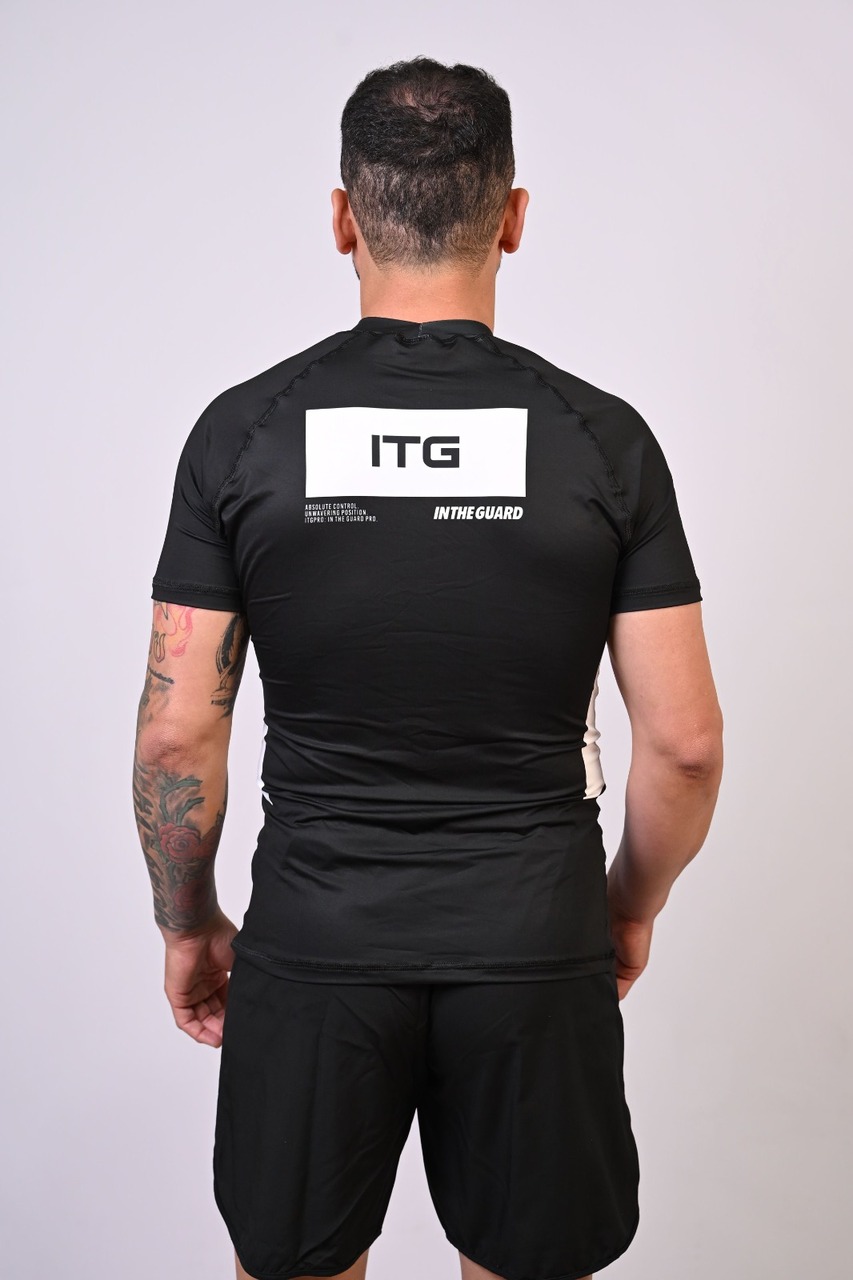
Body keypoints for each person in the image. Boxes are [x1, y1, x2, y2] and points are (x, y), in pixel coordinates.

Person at [132, 55, 724, 1280]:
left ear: (343, 216)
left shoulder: (244, 433)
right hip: (534, 939)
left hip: (315, 945)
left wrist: (186, 921)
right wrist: (627, 904)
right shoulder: (602, 442)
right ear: (512, 217)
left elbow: (176, 735)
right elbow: (683, 744)